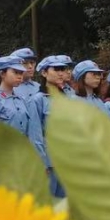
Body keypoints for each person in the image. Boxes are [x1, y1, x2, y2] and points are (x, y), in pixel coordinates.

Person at [28, 56, 71, 198]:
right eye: (56, 69)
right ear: (44, 73)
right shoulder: (38, 100)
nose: (61, 73)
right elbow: (35, 134)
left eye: (62, 69)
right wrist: (42, 162)